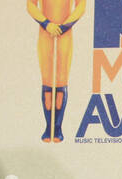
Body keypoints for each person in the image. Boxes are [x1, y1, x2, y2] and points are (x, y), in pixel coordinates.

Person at [27, 0, 86, 143]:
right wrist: (47, 24)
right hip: (46, 34)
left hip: (64, 36)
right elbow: (31, 5)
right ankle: (49, 127)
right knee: (47, 79)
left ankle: (57, 127)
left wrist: (65, 25)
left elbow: (81, 6)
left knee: (61, 79)